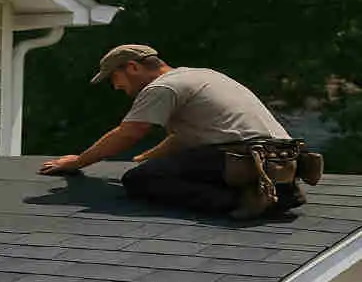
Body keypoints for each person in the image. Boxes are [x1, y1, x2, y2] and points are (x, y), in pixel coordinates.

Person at [39, 44, 322, 219]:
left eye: (115, 78)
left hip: (242, 155)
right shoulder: (203, 75)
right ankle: (283, 189)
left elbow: (129, 133)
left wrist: (77, 162)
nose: (117, 88)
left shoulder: (161, 87)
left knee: (140, 181)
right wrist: (146, 157)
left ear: (133, 67)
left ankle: (242, 200)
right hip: (280, 153)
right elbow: (184, 139)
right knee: (152, 168)